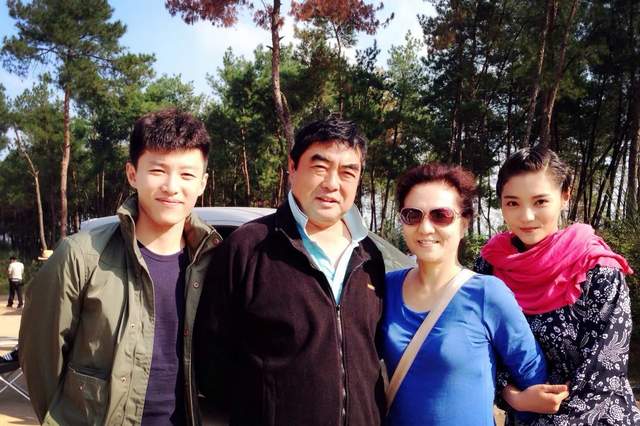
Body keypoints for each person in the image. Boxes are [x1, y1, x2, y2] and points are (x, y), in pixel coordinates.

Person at [19, 108, 222, 425]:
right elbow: (40, 359)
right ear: (132, 174)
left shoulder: (213, 262)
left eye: (186, 175)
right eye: (158, 170)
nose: (171, 186)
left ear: (203, 183)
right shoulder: (81, 256)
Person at [194, 117, 386, 425]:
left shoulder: (369, 256)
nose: (332, 184)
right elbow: (211, 363)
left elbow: (372, 355)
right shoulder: (248, 247)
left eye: (348, 172)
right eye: (320, 167)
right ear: (293, 167)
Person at [382, 163, 568, 426]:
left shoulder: (487, 294)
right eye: (413, 215)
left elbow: (532, 375)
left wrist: (515, 399)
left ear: (464, 223)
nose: (425, 228)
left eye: (441, 215)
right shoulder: (384, 288)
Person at [476, 146, 640, 425]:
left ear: (565, 196)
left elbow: (604, 371)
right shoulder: (489, 266)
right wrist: (513, 397)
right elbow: (478, 347)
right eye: (512, 203)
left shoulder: (598, 269)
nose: (526, 216)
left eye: (540, 201)